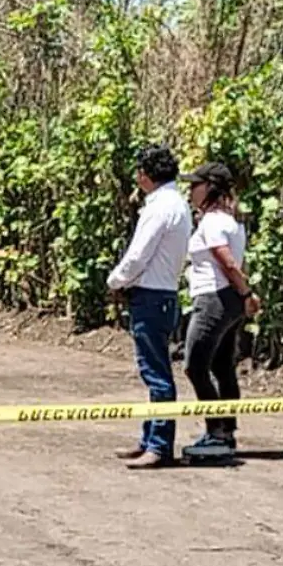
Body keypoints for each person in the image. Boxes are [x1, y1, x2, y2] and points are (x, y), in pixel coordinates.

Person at [106, 144, 192, 470]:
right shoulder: (176, 204)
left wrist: (115, 281)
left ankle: (159, 445)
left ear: (145, 174)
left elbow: (138, 255)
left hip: (151, 296)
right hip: (164, 294)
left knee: (156, 374)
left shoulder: (160, 208)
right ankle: (150, 438)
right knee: (154, 372)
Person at [180, 162, 262, 452]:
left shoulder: (212, 222)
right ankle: (226, 432)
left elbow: (227, 262)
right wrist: (242, 296)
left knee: (195, 366)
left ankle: (216, 433)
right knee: (222, 366)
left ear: (210, 187)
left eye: (195, 185)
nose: (190, 191)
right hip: (228, 300)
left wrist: (247, 292)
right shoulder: (231, 221)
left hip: (213, 299)